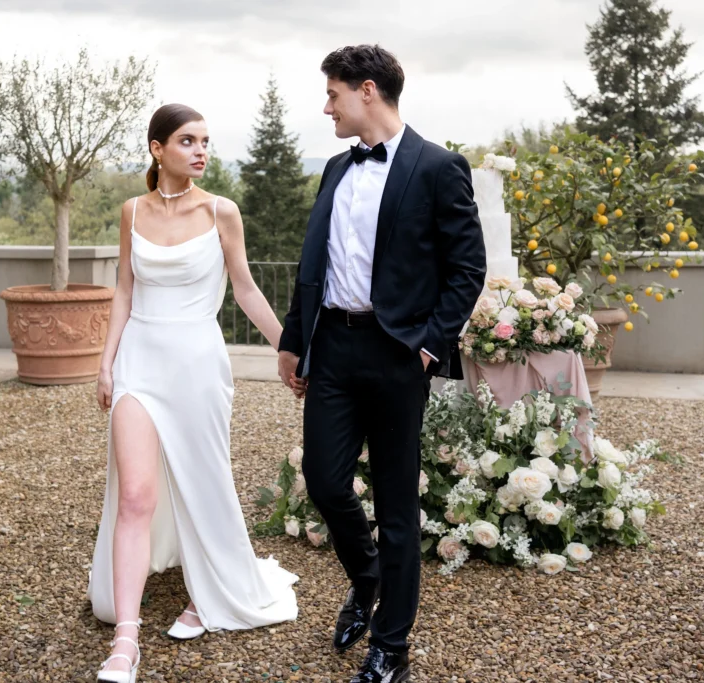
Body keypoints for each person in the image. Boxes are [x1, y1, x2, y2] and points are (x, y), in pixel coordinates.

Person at [277, 45, 486, 683]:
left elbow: (466, 268)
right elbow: (314, 268)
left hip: (398, 354)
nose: (327, 106)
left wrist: (428, 345)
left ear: (367, 91)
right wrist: (294, 338)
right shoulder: (336, 169)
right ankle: (367, 583)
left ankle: (391, 643)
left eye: (333, 94)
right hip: (333, 349)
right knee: (324, 480)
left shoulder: (439, 167)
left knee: (397, 505)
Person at [88, 103, 299, 683]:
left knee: (202, 482)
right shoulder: (131, 211)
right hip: (140, 363)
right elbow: (124, 292)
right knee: (136, 494)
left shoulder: (221, 210)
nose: (201, 150)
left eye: (206, 140)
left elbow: (247, 289)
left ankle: (212, 589)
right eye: (188, 140)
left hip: (200, 365)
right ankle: (125, 643)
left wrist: (289, 348)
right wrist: (106, 363)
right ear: (158, 149)